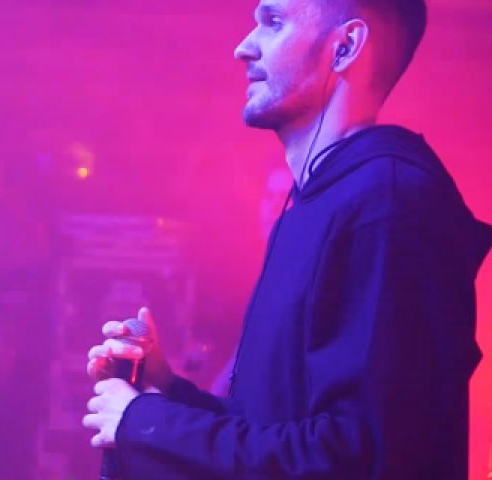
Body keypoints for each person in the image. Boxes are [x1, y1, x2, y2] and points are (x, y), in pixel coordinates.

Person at [82, 0, 492, 478]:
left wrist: (150, 424)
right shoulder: (323, 204)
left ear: (345, 46)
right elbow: (280, 432)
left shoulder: (388, 206)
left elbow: (359, 458)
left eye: (274, 22)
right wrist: (165, 391)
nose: (243, 47)